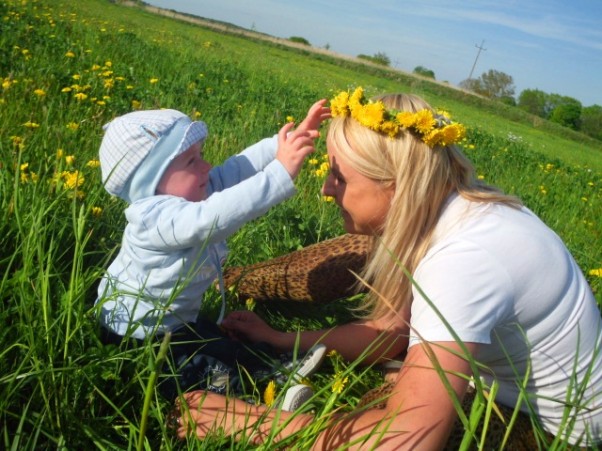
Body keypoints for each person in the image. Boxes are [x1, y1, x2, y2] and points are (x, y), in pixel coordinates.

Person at [175, 87, 602, 448]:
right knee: (351, 250)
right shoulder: (450, 204)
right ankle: (230, 278)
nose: (325, 190)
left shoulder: (464, 261)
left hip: (547, 427)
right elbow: (389, 334)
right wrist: (280, 338)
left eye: (340, 178)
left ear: (396, 185)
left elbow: (409, 438)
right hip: (494, 378)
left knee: (366, 421)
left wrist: (256, 425)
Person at [96, 102, 330, 403]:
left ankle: (267, 369)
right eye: (192, 162)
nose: (206, 167)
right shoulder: (153, 218)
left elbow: (236, 169)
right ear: (150, 181)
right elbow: (213, 218)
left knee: (213, 337)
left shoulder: (186, 195)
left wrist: (281, 144)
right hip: (136, 338)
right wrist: (279, 172)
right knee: (191, 369)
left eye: (201, 156)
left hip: (174, 323)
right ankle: (244, 399)